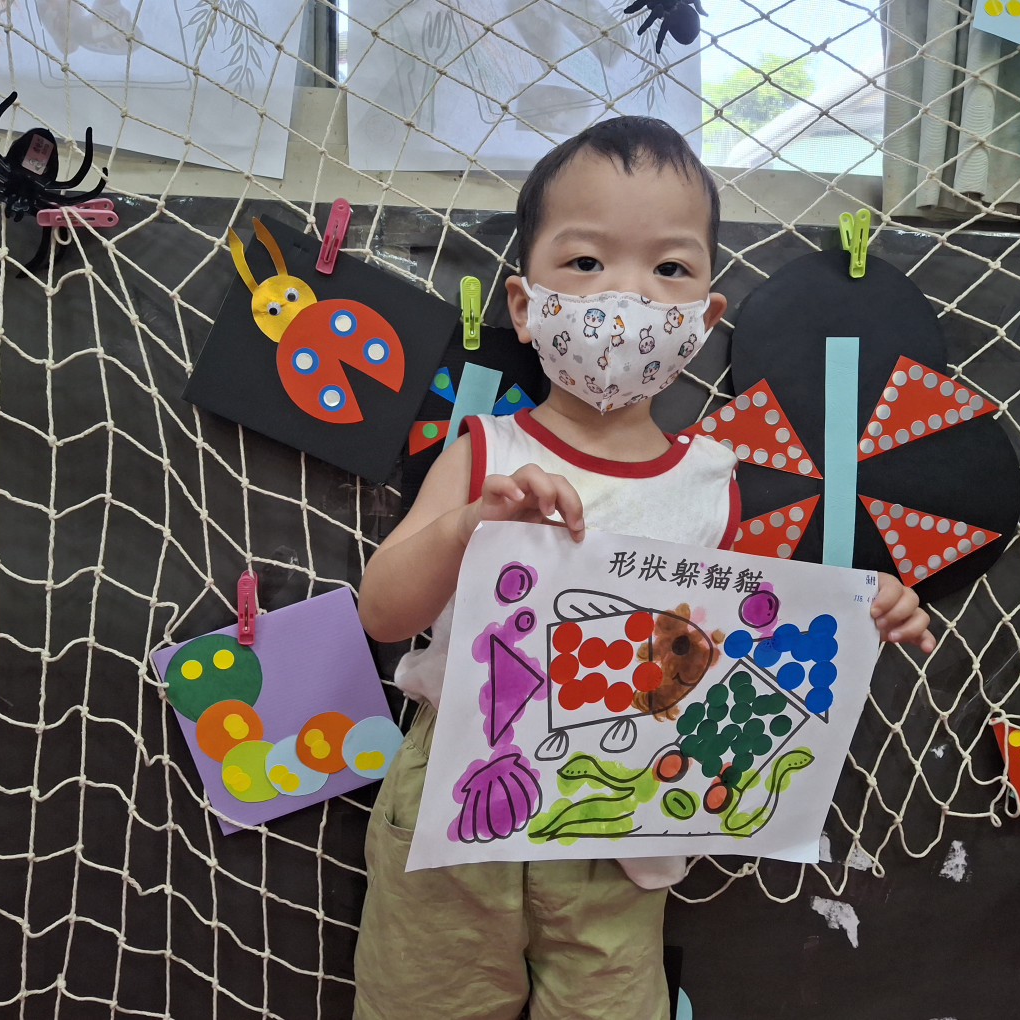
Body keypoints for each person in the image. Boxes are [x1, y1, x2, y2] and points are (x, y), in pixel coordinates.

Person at [352, 116, 935, 1020]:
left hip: (627, 811)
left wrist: (867, 610)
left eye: (668, 268)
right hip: (462, 787)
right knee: (425, 1003)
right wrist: (469, 525)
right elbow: (383, 615)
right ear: (525, 305)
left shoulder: (717, 483)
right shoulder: (487, 451)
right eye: (586, 262)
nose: (627, 295)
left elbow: (757, 645)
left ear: (704, 321)